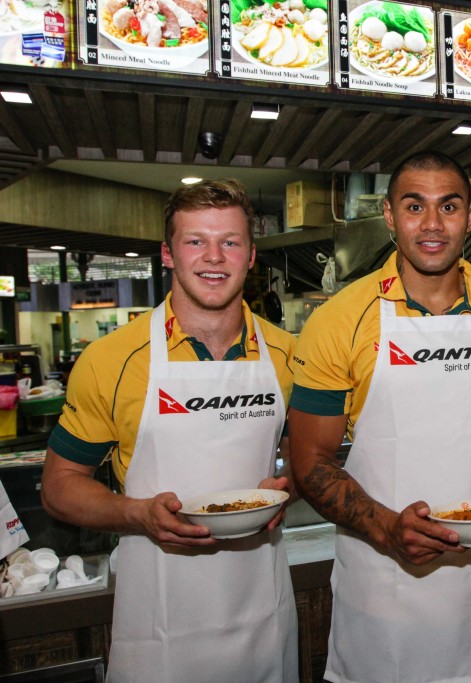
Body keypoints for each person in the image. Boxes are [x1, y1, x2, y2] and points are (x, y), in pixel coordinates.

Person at [288, 150, 471, 683]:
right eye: (414, 206)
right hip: (384, 598)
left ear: (470, 217)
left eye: (449, 206)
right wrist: (387, 529)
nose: (432, 225)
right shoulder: (340, 320)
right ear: (389, 216)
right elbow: (309, 462)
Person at [41, 179, 298, 683]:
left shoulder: (290, 354)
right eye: (195, 241)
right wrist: (139, 514)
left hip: (262, 608)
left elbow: (308, 459)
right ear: (168, 254)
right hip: (158, 618)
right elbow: (58, 485)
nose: (214, 257)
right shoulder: (111, 359)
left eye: (230, 241)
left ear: (250, 256)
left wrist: (289, 486)